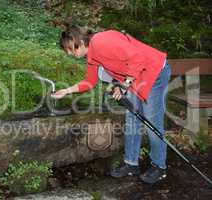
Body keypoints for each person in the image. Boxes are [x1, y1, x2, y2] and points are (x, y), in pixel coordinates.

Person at [51, 26, 171, 184]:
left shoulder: (102, 41)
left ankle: (159, 166)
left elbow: (138, 58)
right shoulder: (92, 56)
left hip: (154, 72)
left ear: (77, 41)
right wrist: (66, 90)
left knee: (152, 122)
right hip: (136, 76)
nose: (69, 54)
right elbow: (89, 82)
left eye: (69, 49)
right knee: (132, 119)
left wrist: (124, 84)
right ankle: (131, 164)